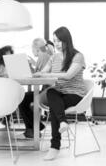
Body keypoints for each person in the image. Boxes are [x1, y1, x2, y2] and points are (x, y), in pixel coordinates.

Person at [33, 26, 87, 160]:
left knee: (55, 106)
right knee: (51, 93)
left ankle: (55, 146)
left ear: (66, 40)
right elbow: (45, 71)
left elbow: (68, 75)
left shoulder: (78, 56)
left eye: (58, 41)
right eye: (54, 41)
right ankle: (63, 123)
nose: (55, 44)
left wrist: (49, 74)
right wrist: (38, 74)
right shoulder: (54, 57)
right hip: (60, 92)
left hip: (75, 94)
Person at [19, 38, 53, 139]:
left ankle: (34, 128)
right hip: (48, 90)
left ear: (36, 48)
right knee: (24, 98)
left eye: (32, 48)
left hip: (47, 92)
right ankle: (33, 129)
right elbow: (39, 73)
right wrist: (31, 67)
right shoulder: (46, 54)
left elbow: (38, 76)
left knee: (22, 99)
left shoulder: (43, 55)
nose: (32, 51)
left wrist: (30, 67)